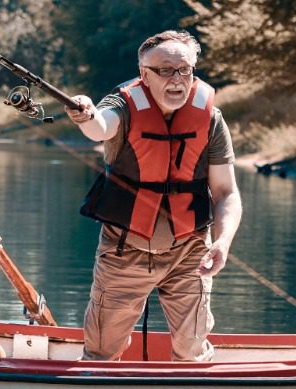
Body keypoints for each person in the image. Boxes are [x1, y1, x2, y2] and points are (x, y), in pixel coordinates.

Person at [66, 30, 242, 362]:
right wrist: (85, 114)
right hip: (124, 249)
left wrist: (223, 241)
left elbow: (226, 192)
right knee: (102, 350)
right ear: (144, 75)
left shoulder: (210, 119)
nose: (176, 79)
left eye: (184, 70)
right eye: (165, 70)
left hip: (190, 251)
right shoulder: (123, 105)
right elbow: (100, 127)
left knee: (191, 349)